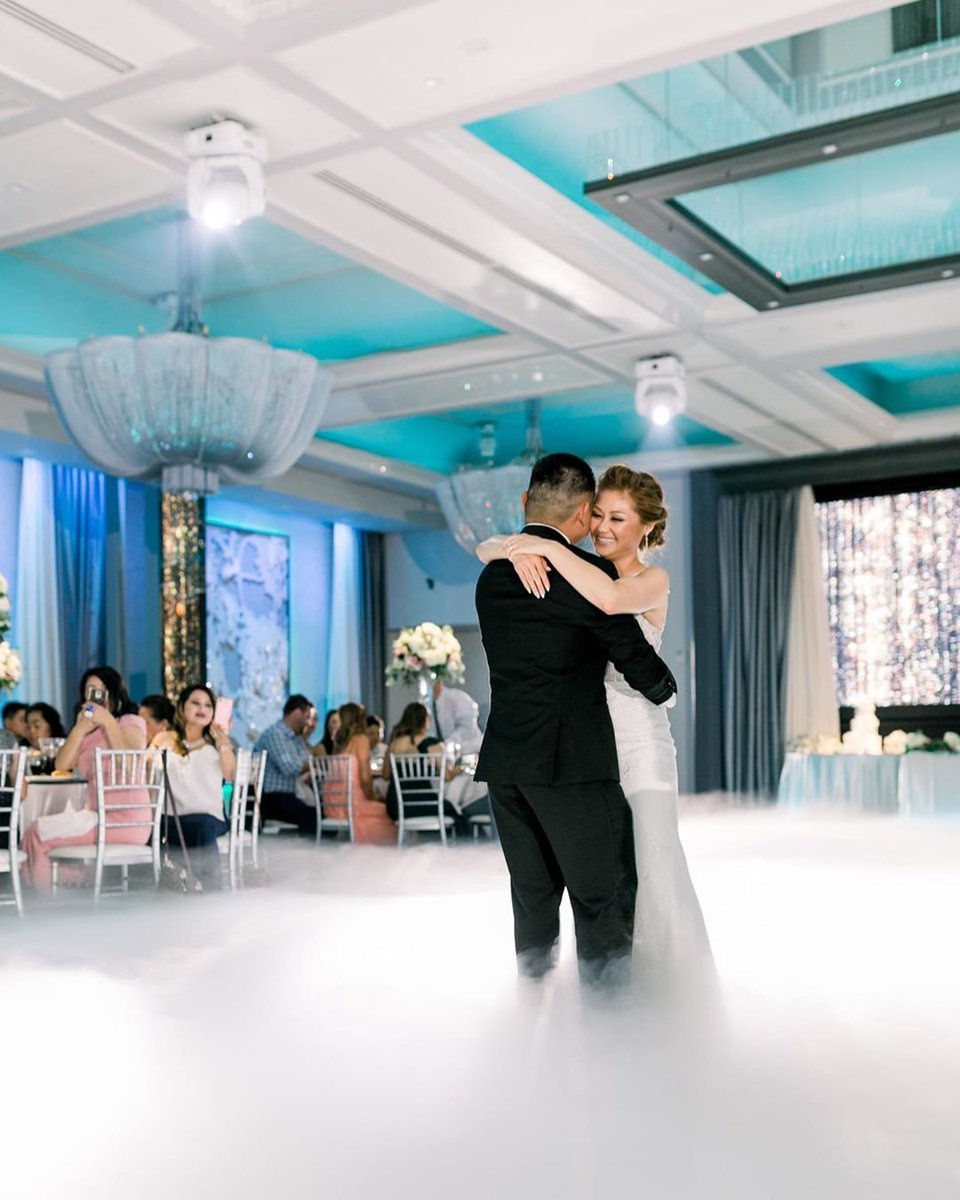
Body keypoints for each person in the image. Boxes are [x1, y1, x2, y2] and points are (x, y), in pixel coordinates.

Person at [483, 463, 714, 993]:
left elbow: (610, 602)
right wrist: (522, 547)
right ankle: (608, 1010)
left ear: (647, 529)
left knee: (653, 882)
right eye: (601, 515)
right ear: (584, 515)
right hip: (590, 749)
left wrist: (534, 546)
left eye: (618, 518)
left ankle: (666, 1004)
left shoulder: (641, 579)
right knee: (603, 886)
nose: (605, 527)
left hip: (639, 745)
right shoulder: (573, 571)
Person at [22, 667, 149, 890]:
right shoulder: (88, 733)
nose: (96, 696)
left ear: (115, 694)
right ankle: (60, 890)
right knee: (35, 831)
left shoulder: (130, 721)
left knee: (38, 835)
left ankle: (41, 902)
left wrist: (108, 722)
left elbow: (129, 764)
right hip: (96, 817)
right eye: (90, 691)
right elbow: (61, 765)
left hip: (128, 819)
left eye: (102, 690)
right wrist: (80, 729)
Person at [152, 684, 236, 888]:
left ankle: (211, 890)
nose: (202, 709)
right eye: (195, 703)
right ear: (182, 707)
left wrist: (222, 741)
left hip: (209, 817)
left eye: (208, 705)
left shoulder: (217, 744)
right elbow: (148, 773)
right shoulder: (165, 739)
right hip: (170, 817)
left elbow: (230, 775)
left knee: (203, 827)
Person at [383, 702, 488, 838]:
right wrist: (459, 769)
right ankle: (467, 848)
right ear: (424, 719)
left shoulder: (393, 743)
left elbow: (385, 775)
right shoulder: (432, 744)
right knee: (456, 813)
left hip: (395, 805)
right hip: (423, 803)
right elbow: (447, 776)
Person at [324, 702, 395, 845]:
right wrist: (373, 797)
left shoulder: (338, 742)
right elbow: (365, 779)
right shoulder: (361, 740)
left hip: (331, 806)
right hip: (352, 805)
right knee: (390, 811)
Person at [253, 694, 316, 835]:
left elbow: (305, 761)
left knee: (320, 813)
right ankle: (309, 854)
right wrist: (315, 763)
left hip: (289, 794)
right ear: (297, 714)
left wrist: (310, 764)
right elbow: (290, 768)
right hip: (270, 797)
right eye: (307, 717)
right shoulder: (275, 734)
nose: (308, 723)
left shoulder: (295, 738)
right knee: (311, 816)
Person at [431, 678, 483, 754]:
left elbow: (468, 728)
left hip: (471, 750)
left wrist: (447, 744)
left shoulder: (458, 698)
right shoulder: (427, 703)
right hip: (446, 755)